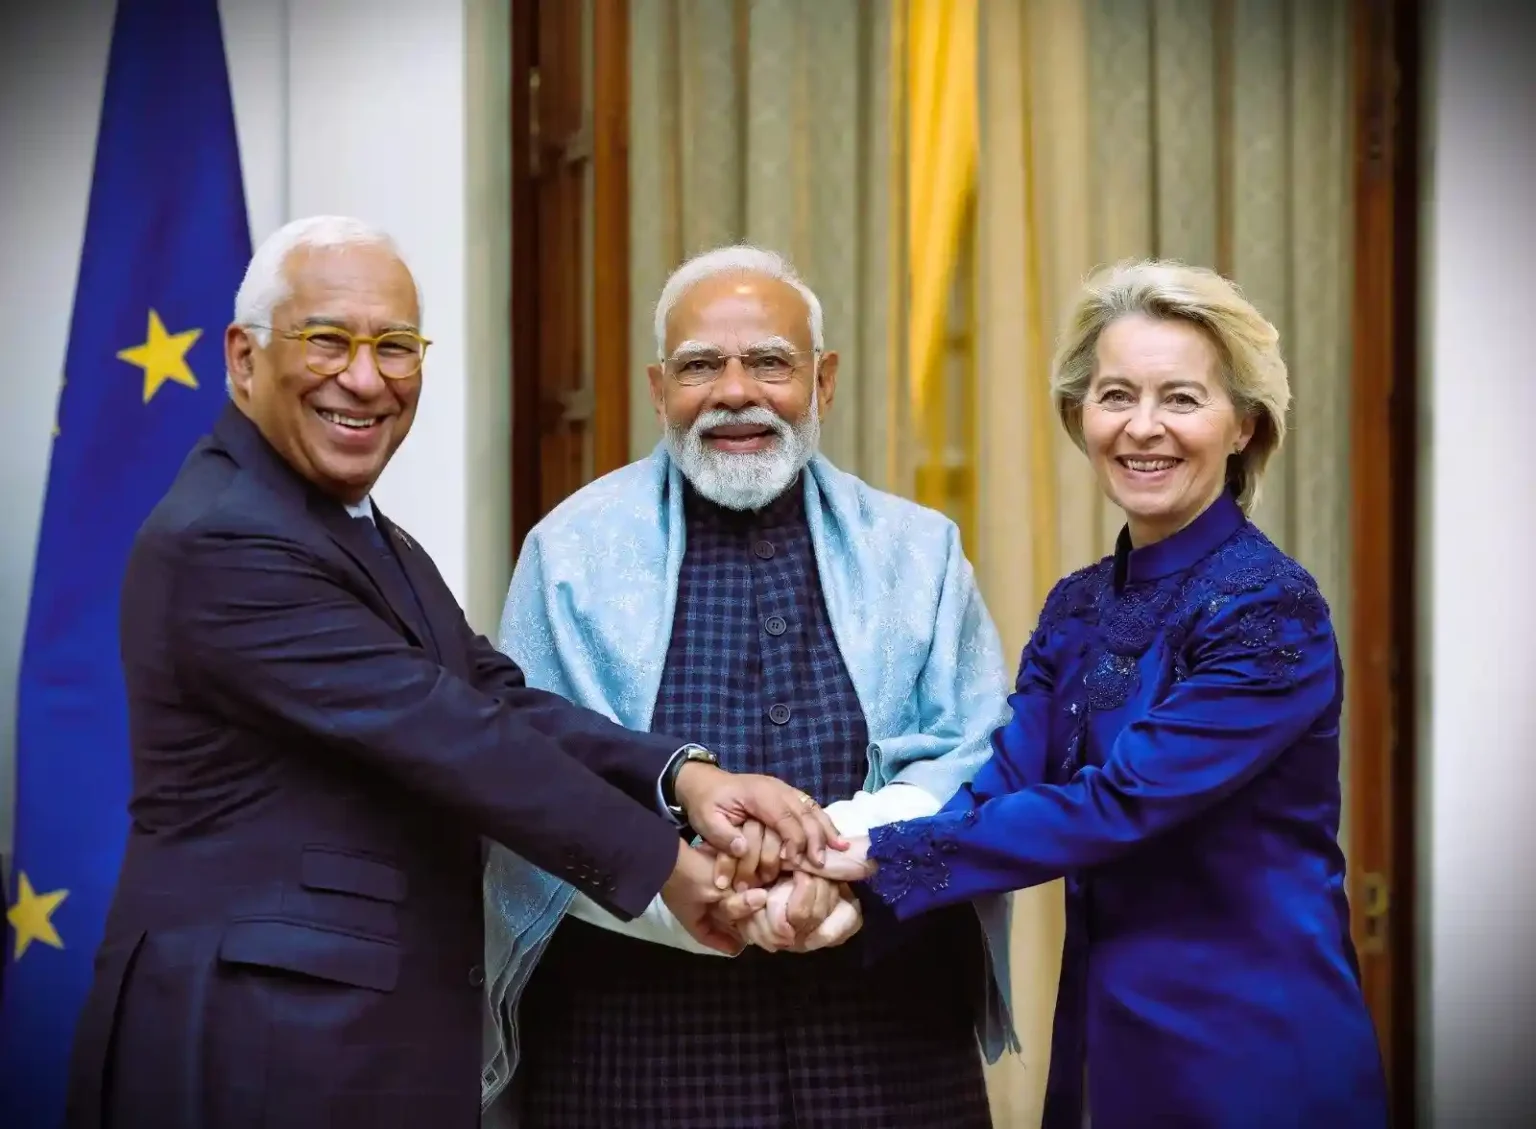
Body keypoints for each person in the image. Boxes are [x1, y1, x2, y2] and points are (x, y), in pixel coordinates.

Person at [65, 216, 837, 1129]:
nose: (365, 377)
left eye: (396, 346)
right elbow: (454, 735)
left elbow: (493, 697)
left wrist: (687, 777)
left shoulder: (351, 526)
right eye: (327, 340)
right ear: (243, 359)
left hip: (346, 1041)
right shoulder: (228, 538)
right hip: (251, 1046)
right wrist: (670, 866)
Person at [813, 259, 1390, 1128]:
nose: (1142, 428)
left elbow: (1117, 805)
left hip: (1252, 1049)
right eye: (1116, 395)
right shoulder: (1080, 603)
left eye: (1183, 398)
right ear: (1079, 416)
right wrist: (840, 851)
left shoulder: (1271, 608)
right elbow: (1005, 777)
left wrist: (878, 862)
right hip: (1103, 1035)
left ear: (1243, 426)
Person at [481, 246, 1016, 1128]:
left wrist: (847, 863)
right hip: (636, 1051)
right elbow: (533, 780)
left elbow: (977, 752)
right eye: (700, 366)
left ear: (823, 380)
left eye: (769, 361)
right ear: (659, 390)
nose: (735, 392)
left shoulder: (918, 551)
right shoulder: (571, 552)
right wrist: (690, 889)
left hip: (887, 1044)